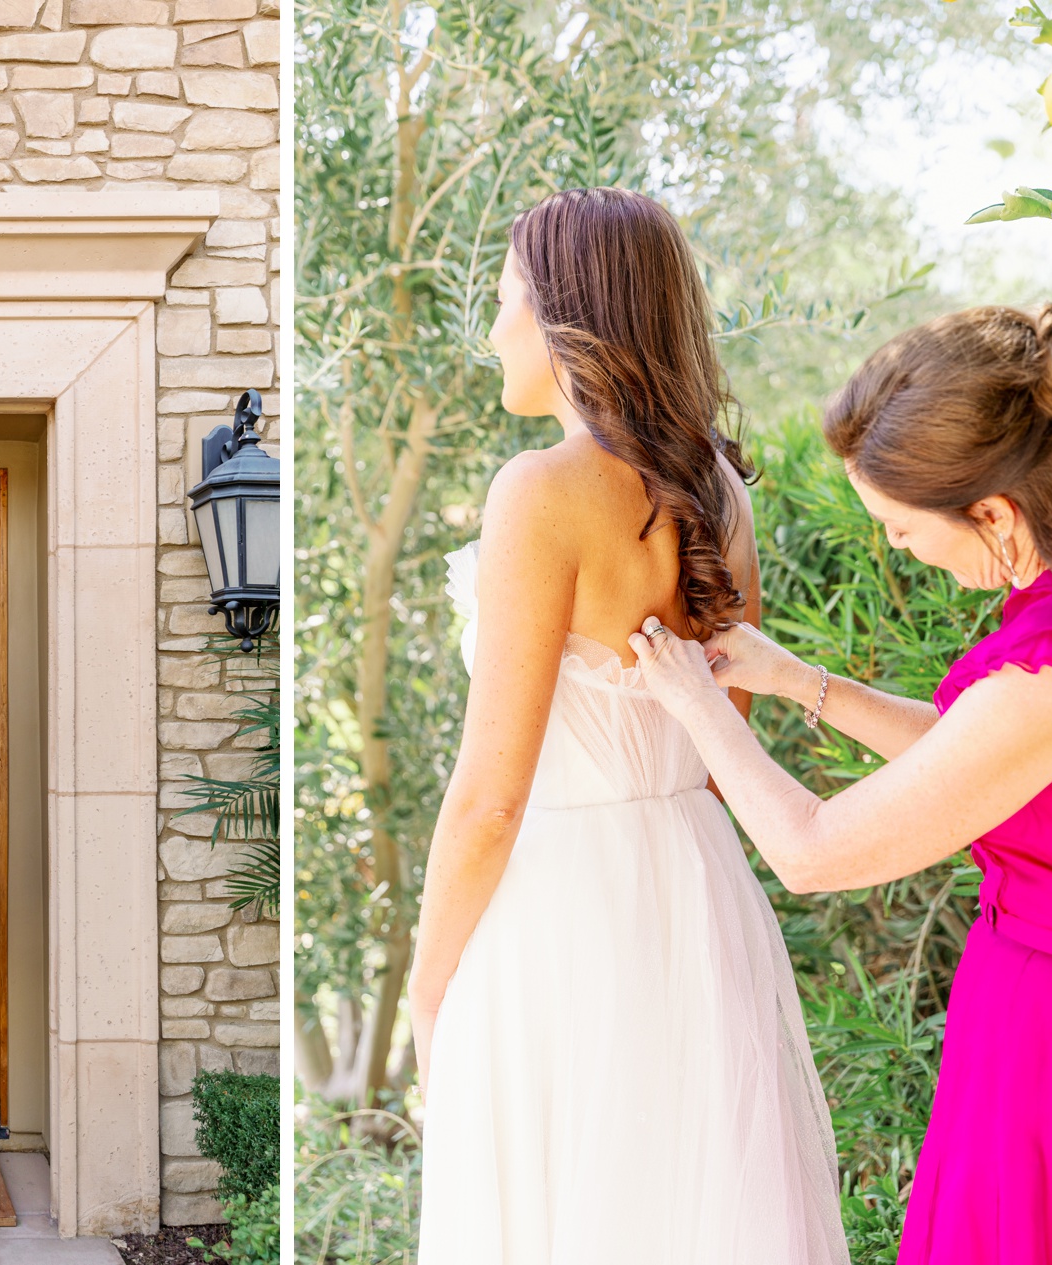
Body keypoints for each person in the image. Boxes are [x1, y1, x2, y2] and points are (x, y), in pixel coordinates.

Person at [629, 303, 1052, 1264]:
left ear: (992, 512)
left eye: (901, 527)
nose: (896, 547)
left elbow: (814, 853)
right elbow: (975, 754)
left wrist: (693, 704)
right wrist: (793, 678)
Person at [410, 186, 850, 1264]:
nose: (490, 330)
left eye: (506, 298)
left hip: (558, 908)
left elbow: (487, 798)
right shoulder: (718, 492)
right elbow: (721, 743)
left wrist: (431, 991)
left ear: (565, 318)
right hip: (695, 894)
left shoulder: (539, 491)